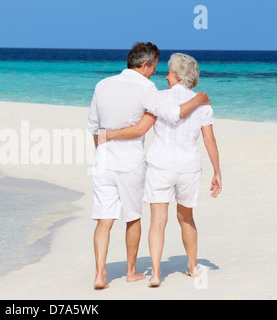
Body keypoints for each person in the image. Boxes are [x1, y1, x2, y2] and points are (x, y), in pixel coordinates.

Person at [88, 43, 211, 290]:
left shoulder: (102, 85)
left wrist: (105, 143)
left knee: (103, 219)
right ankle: (131, 272)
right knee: (132, 218)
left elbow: (94, 128)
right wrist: (198, 99)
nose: (156, 72)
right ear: (144, 65)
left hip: (103, 161)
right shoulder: (147, 88)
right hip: (131, 162)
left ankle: (100, 274)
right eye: (154, 66)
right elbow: (173, 114)